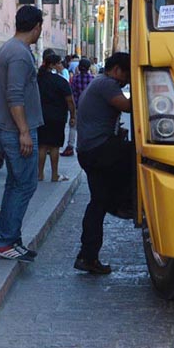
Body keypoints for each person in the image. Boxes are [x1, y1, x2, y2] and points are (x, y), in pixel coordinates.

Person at [0, 5, 44, 262]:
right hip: (17, 130)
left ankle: (10, 239)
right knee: (24, 184)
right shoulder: (19, 54)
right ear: (36, 27)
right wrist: (24, 131)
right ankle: (7, 241)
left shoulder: (12, 49)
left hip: (12, 128)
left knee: (16, 184)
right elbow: (15, 95)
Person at [74, 52, 133, 275]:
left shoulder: (99, 82)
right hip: (98, 149)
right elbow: (127, 107)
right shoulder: (107, 84)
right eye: (127, 76)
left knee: (97, 203)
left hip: (88, 150)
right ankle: (124, 202)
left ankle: (87, 256)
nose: (126, 82)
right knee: (135, 155)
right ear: (117, 69)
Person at [36, 53, 75, 183]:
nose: (61, 65)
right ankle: (54, 175)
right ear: (52, 65)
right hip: (58, 117)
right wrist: (73, 116)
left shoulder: (38, 79)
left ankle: (39, 174)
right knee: (54, 147)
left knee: (42, 146)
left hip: (41, 116)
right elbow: (70, 101)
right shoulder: (60, 81)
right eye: (58, 63)